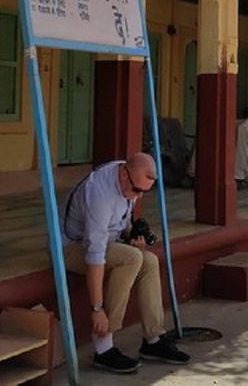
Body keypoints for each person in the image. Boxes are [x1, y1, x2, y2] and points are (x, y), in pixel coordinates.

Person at [62, 152, 191, 374]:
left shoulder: (126, 180)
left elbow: (119, 225)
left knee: (148, 260)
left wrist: (132, 234)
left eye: (143, 192)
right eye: (137, 190)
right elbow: (95, 253)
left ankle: (153, 340)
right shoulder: (99, 194)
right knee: (132, 258)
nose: (138, 197)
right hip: (71, 248)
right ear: (123, 174)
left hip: (102, 243)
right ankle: (103, 348)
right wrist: (97, 309)